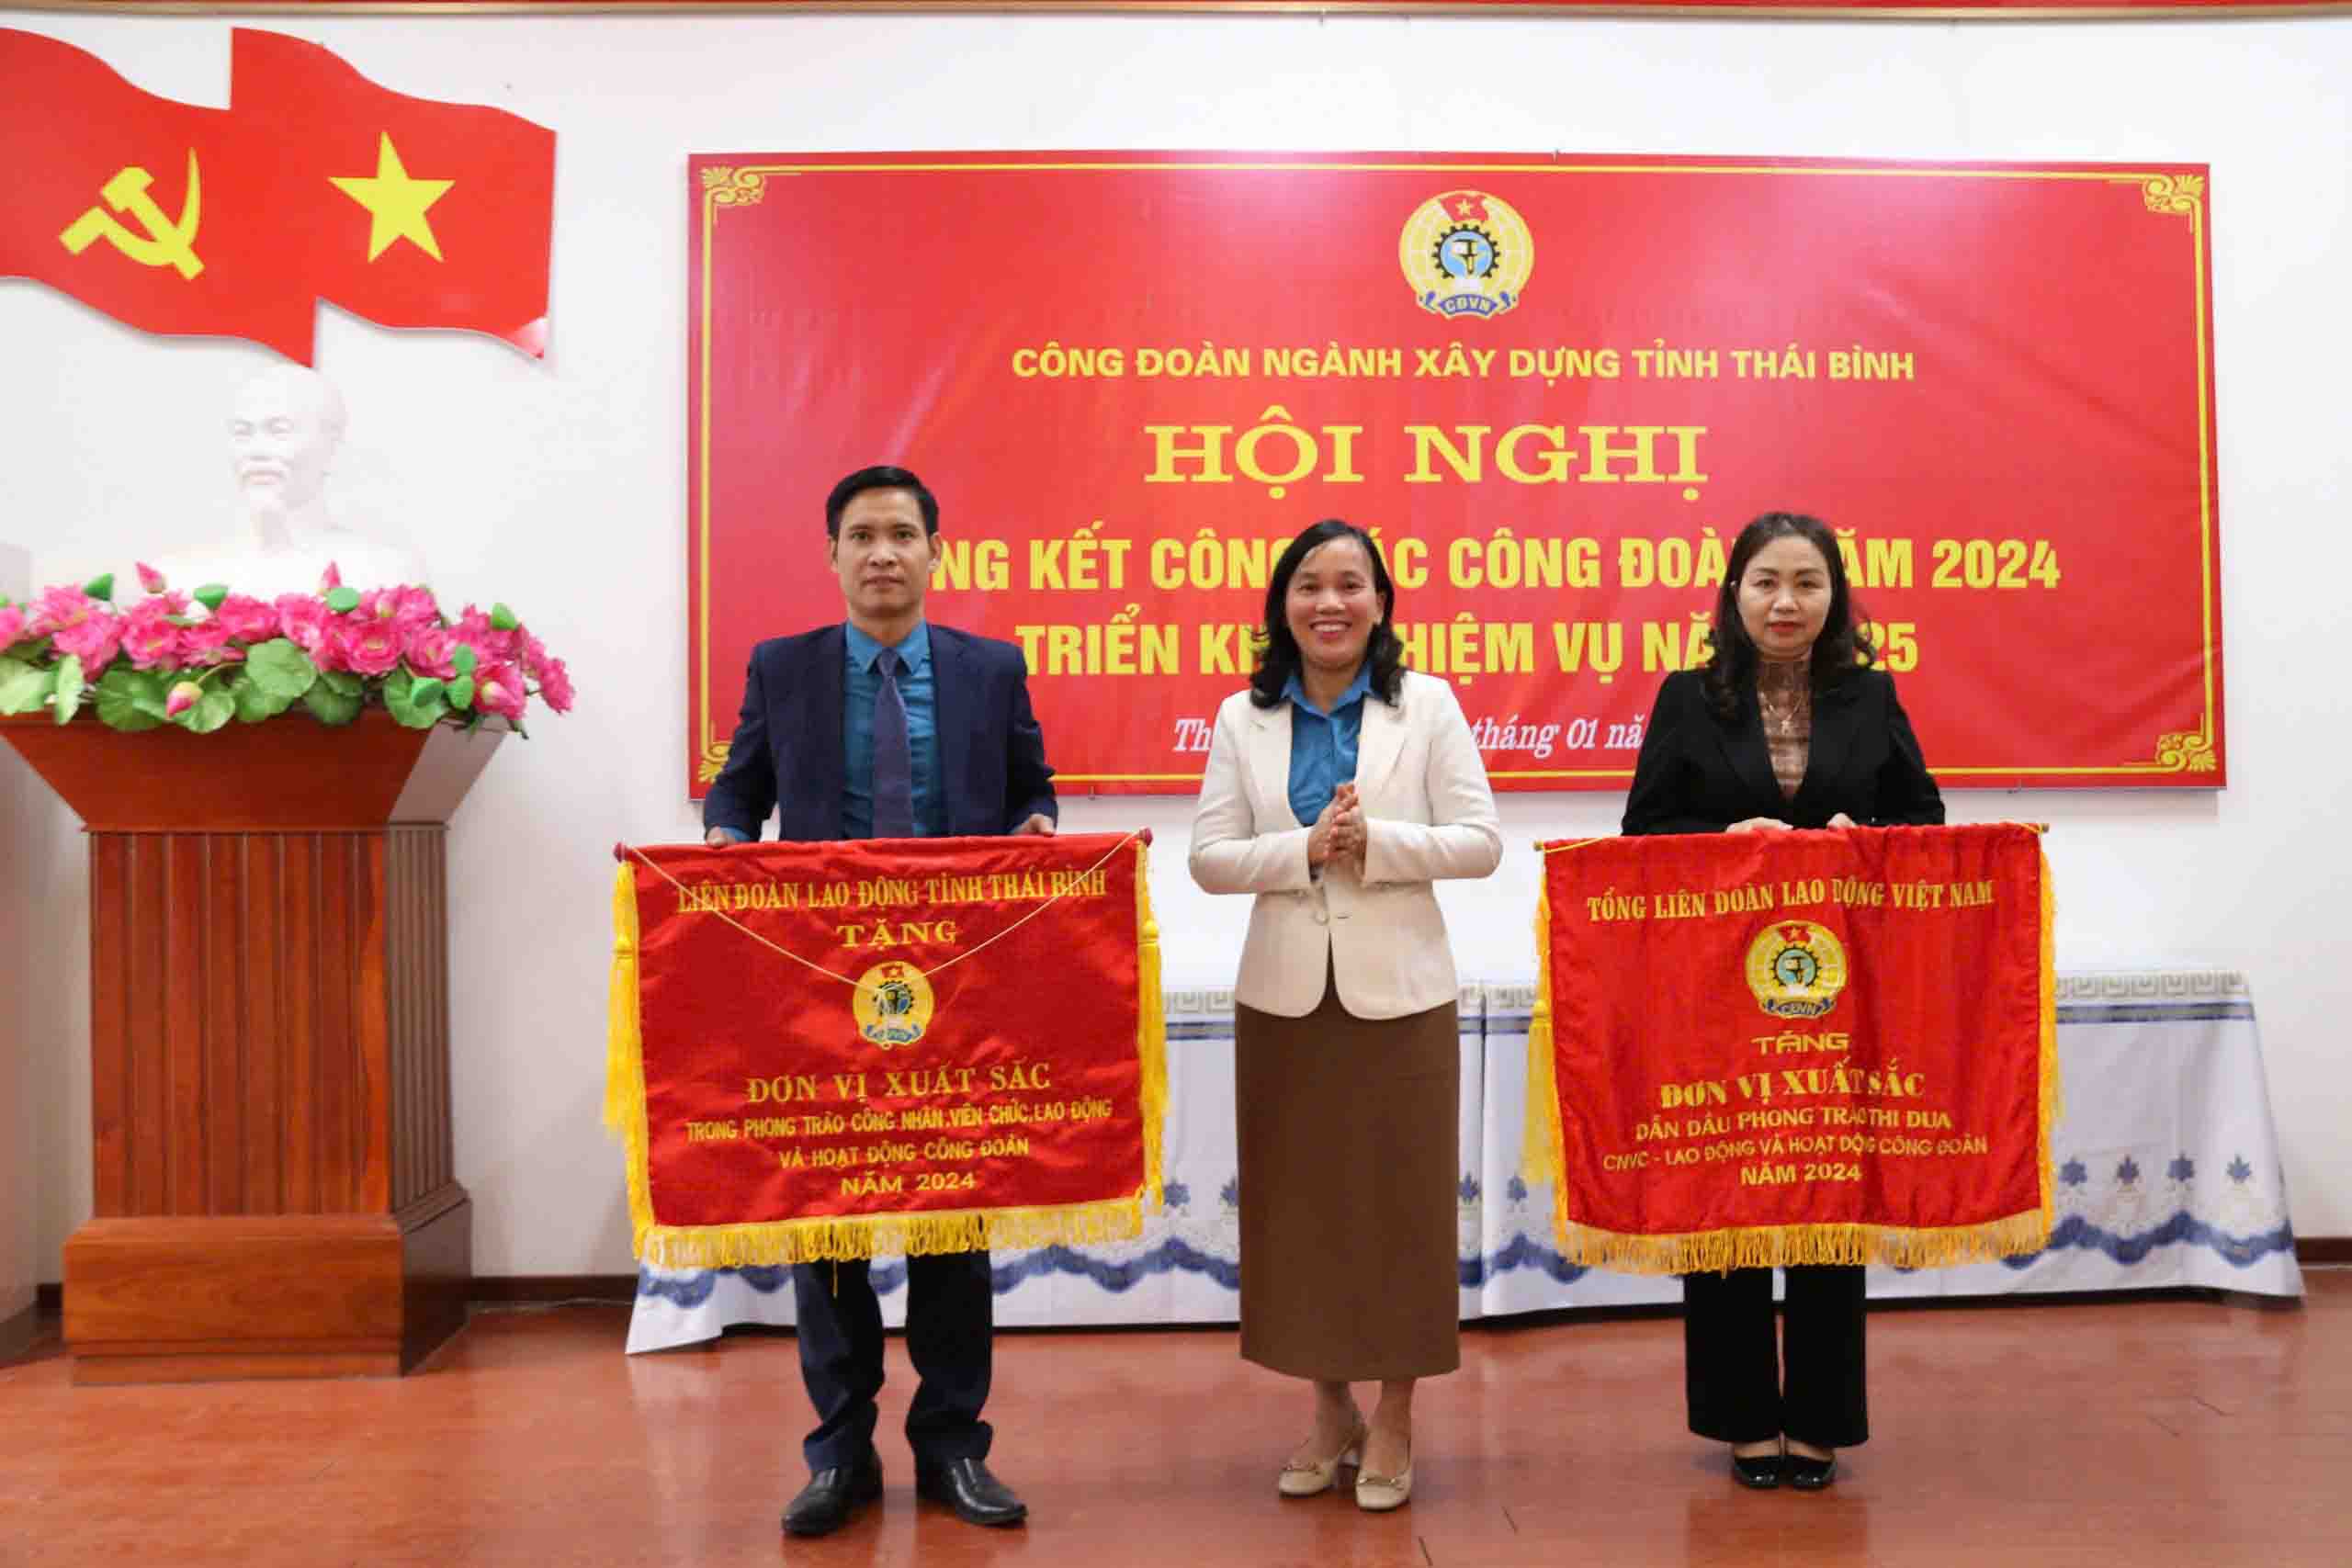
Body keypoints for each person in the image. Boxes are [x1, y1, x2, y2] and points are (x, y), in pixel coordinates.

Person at [702, 464, 1056, 1538]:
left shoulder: (992, 668)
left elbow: (1031, 782)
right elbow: (739, 789)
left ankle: (953, 1447)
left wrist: (1036, 824)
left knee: (953, 1220)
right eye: (862, 535)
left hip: (957, 991)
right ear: (833, 555)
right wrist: (724, 842)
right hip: (821, 988)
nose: (883, 553)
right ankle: (838, 1452)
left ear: (935, 550)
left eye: (903, 533)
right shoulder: (785, 666)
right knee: (830, 1225)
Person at [1621, 510, 1945, 1492]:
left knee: (1820, 1201)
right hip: (1719, 991)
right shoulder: (1687, 698)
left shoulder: (1869, 695)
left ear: (1834, 597)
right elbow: (1642, 831)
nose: (1785, 602)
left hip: (1835, 995)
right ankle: (1737, 1420)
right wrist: (1734, 838)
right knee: (1730, 1193)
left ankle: (1818, 1422)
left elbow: (1923, 820)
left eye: (1806, 583)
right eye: (1765, 582)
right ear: (1733, 594)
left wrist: (1861, 836)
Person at [1188, 518, 1502, 1512]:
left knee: (1400, 1209)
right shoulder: (1244, 717)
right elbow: (1207, 858)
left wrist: (1380, 844)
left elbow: (1479, 840)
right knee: (1301, 1213)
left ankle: (1397, 1412)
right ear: (1282, 604)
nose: (1330, 603)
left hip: (1401, 995)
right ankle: (1331, 1411)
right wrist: (1303, 851)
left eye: (1350, 585)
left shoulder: (1429, 706)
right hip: (1283, 998)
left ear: (1381, 602)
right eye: (1309, 586)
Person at [149, 366, 426, 597]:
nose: (256, 452)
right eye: (243, 433)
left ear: (333, 449)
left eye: (279, 431)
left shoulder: (385, 573)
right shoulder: (178, 577)